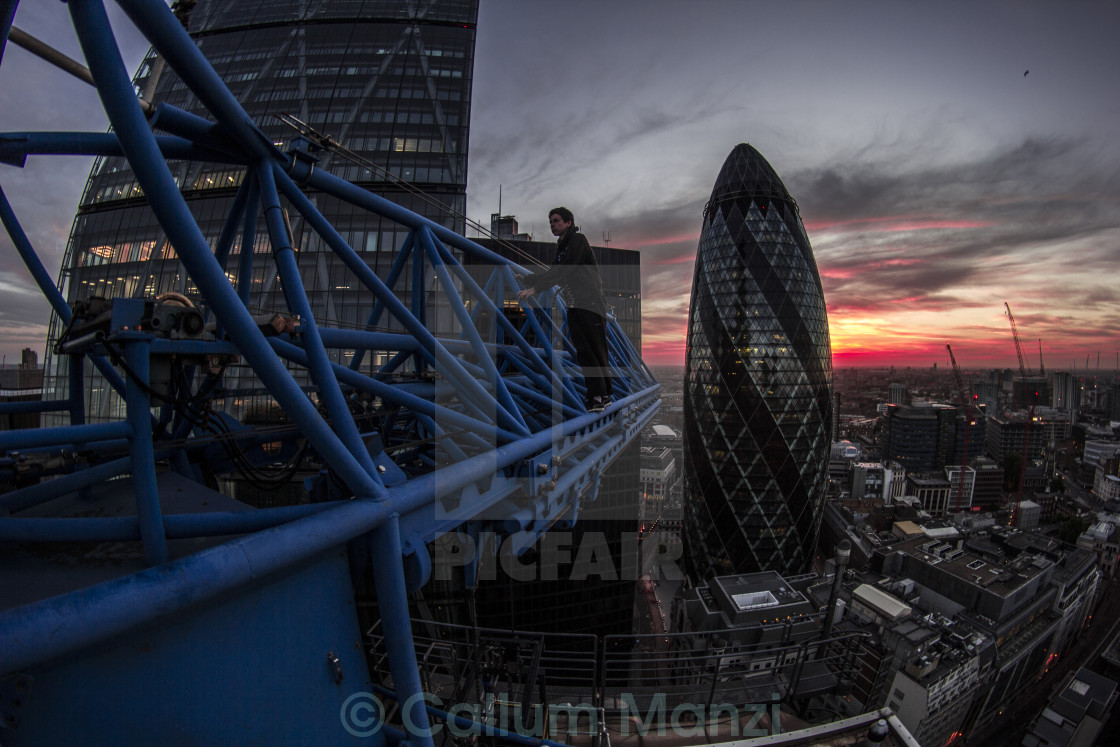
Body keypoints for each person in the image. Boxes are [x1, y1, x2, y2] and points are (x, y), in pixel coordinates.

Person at [517, 207, 612, 412]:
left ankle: (599, 397)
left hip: (591, 304)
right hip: (576, 305)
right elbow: (554, 271)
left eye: (557, 221)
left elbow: (567, 268)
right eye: (550, 221)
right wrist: (529, 279)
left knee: (593, 351)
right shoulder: (562, 247)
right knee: (587, 352)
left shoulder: (578, 241)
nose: (552, 224)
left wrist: (536, 288)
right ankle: (602, 395)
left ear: (569, 222)